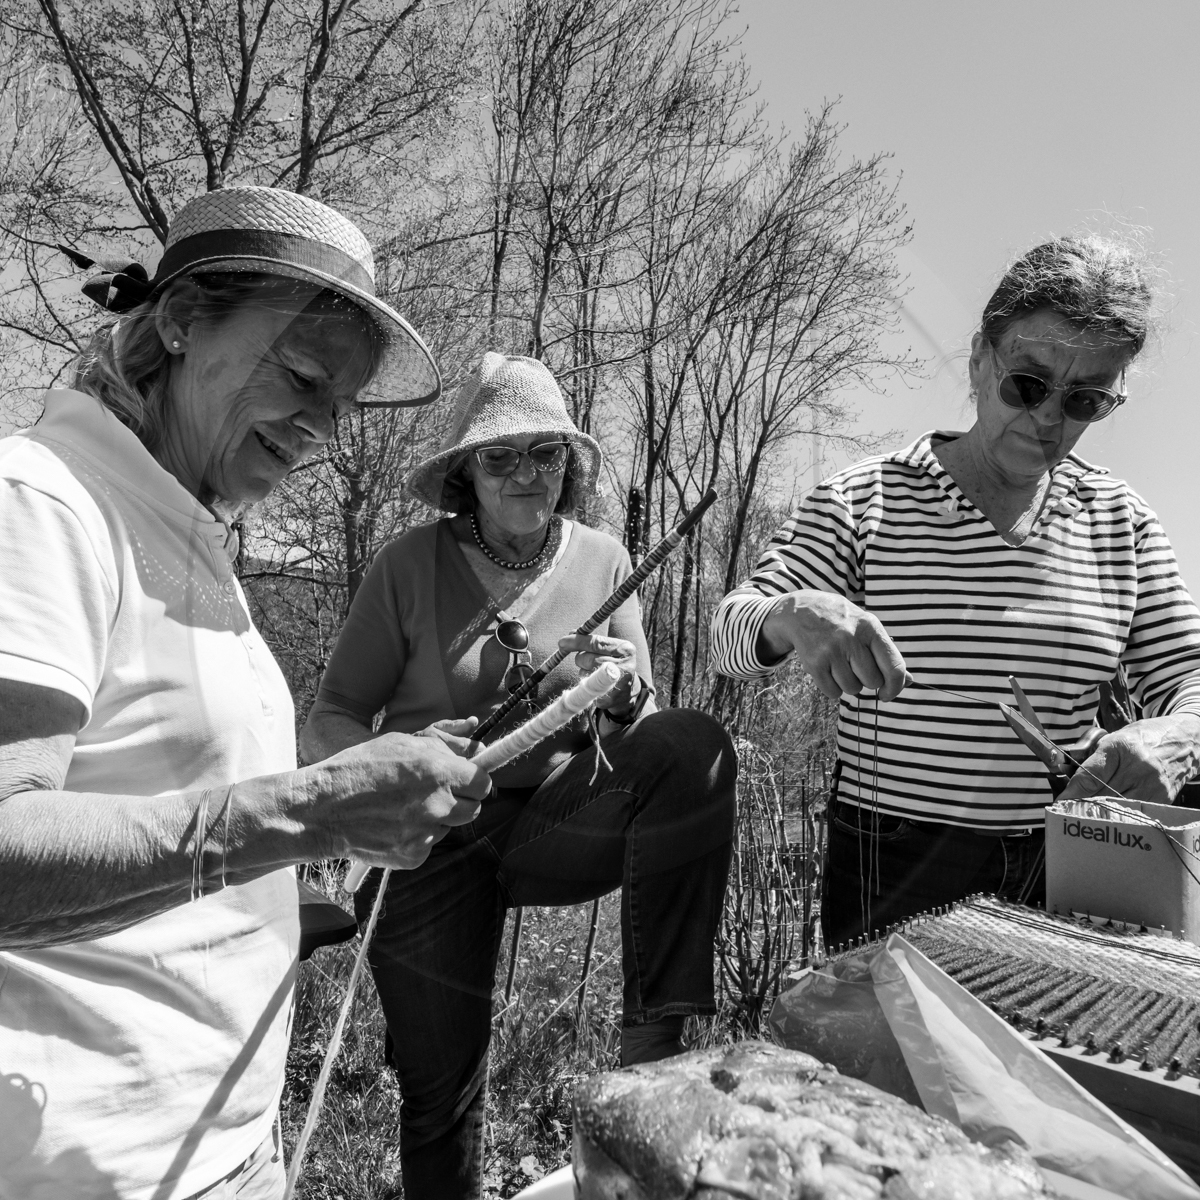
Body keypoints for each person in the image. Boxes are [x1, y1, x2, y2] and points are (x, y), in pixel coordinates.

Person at [0, 186, 491, 1200]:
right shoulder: (42, 501)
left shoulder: (187, 534)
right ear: (180, 319)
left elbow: (178, 787)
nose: (321, 429)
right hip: (95, 1169)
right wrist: (312, 811)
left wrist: (349, 785)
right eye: (302, 375)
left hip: (228, 1142)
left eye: (340, 405)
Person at [301, 352, 737, 1200]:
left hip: (557, 823)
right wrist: (398, 768)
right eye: (500, 457)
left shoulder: (607, 562)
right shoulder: (407, 564)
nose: (526, 474)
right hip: (432, 837)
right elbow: (331, 721)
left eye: (545, 453)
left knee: (692, 743)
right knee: (438, 1089)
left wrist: (620, 699)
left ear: (568, 465)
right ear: (466, 472)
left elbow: (642, 745)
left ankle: (652, 1050)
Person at [710, 235, 1200, 948]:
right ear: (979, 356)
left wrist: (1177, 737)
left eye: (1086, 399)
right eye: (1027, 383)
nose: (1048, 417)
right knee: (886, 1052)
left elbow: (1190, 677)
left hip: (1066, 861)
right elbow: (729, 633)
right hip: (893, 858)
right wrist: (794, 613)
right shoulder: (864, 498)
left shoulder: (1120, 520)